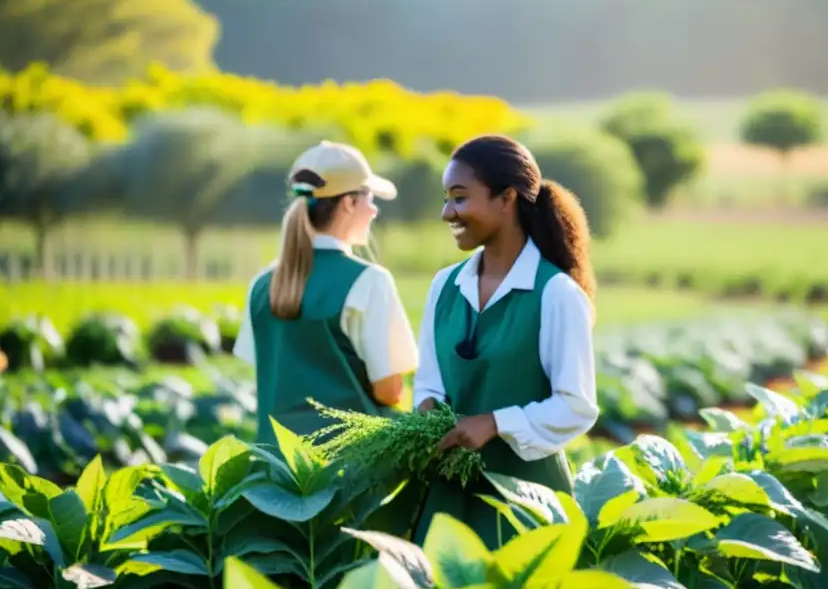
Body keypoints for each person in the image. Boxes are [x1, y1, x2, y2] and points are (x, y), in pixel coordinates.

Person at [411, 134, 600, 549]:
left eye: (459, 198)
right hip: (449, 499)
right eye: (446, 199)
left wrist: (495, 423)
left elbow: (577, 406)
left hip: (527, 502)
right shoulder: (444, 285)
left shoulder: (556, 294)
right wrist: (425, 411)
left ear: (506, 198)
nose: (447, 213)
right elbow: (428, 382)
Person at [233, 140, 419, 446]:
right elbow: (390, 391)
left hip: (274, 468)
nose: (374, 210)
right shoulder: (370, 281)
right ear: (348, 203)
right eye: (370, 199)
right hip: (346, 471)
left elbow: (270, 371)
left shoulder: (262, 284)